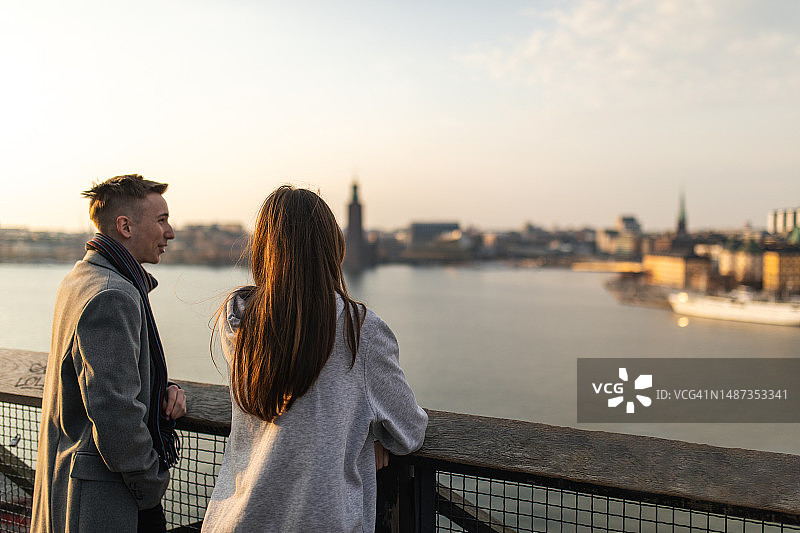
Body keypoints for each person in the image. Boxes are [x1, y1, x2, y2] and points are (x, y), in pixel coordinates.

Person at [202, 185, 427, 532]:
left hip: (235, 519)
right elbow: (410, 430)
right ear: (332, 247)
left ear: (263, 251)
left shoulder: (238, 321)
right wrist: (372, 438)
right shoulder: (360, 331)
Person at [31, 175, 187, 533]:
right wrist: (151, 484)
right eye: (161, 220)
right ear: (125, 226)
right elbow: (115, 412)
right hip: (103, 503)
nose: (171, 232)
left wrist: (160, 387)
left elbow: (100, 376)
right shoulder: (112, 293)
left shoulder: (81, 277)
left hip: (68, 485)